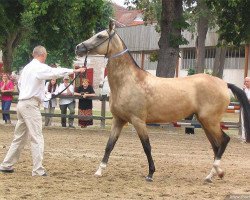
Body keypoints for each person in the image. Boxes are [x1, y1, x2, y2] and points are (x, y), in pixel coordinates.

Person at [0, 45, 85, 176]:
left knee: (19, 137)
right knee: (37, 137)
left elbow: (22, 85)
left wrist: (42, 95)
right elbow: (54, 72)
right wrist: (74, 71)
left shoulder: (27, 68)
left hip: (22, 104)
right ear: (43, 55)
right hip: (30, 106)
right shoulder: (38, 67)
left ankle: (6, 165)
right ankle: (38, 170)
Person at [240, 76, 250, 143]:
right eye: (245, 81)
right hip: (244, 107)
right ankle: (244, 138)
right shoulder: (243, 89)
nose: (246, 82)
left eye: (247, 81)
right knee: (243, 122)